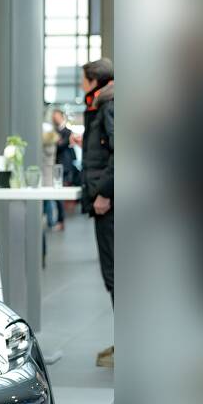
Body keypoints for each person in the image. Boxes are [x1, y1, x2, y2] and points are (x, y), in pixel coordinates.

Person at [80, 58, 115, 367]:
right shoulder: (104, 105)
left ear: (94, 81)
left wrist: (105, 192)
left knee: (116, 275)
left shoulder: (110, 105)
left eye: (84, 80)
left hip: (111, 204)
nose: (81, 86)